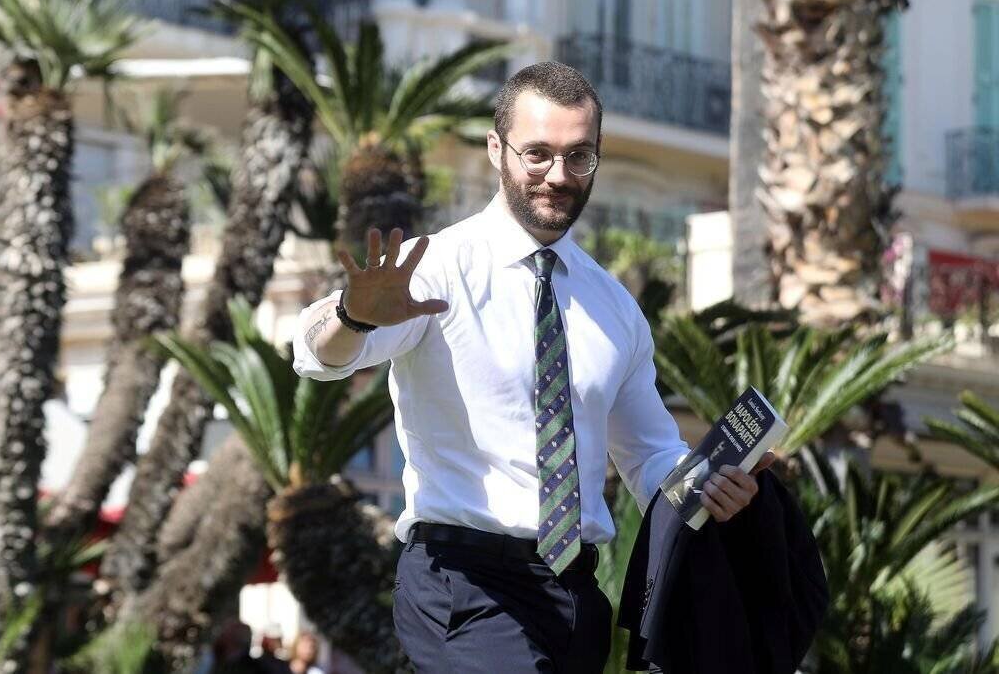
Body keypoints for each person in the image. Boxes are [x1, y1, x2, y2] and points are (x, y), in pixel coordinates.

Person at [291, 61, 775, 673]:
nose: (558, 176)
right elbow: (314, 355)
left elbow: (650, 458)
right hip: (464, 587)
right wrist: (352, 316)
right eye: (538, 154)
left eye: (579, 157)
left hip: (575, 597)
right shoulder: (437, 269)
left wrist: (715, 482)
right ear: (497, 148)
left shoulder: (615, 308)